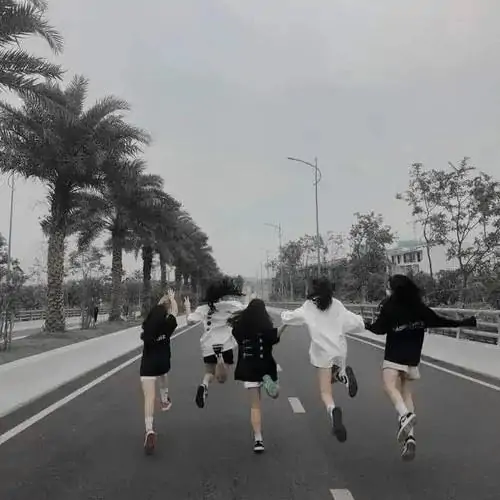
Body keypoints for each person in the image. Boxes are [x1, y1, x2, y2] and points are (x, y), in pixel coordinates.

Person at [364, 274, 477, 461]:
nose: (387, 290)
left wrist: (365, 324)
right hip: (412, 359)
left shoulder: (389, 307)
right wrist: (465, 322)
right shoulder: (419, 308)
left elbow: (379, 329)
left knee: (389, 386)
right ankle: (410, 438)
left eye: (388, 287)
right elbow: (440, 321)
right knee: (406, 393)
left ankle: (404, 416)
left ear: (394, 290)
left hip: (394, 356)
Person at [280, 278, 364, 442]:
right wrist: (362, 322)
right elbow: (355, 322)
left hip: (322, 353)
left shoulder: (309, 306)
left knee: (326, 392)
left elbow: (290, 317)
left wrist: (284, 315)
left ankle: (333, 411)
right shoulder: (337, 304)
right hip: (339, 350)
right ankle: (343, 377)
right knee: (334, 374)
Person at [228, 298, 287, 453]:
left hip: (249, 368)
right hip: (266, 366)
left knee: (255, 406)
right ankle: (269, 384)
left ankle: (258, 439)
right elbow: (275, 336)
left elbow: (234, 333)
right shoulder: (266, 327)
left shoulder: (239, 329)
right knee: (275, 394)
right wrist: (286, 324)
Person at [186, 277, 245, 409]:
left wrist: (188, 308)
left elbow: (189, 321)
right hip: (225, 344)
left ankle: (204, 385)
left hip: (208, 345)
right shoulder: (232, 305)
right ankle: (220, 358)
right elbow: (248, 312)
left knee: (209, 373)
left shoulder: (203, 308)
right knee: (223, 378)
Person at [140, 289, 178, 455]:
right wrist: (172, 299)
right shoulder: (168, 324)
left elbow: (157, 312)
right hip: (162, 363)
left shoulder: (148, 326)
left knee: (149, 398)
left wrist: (162, 303)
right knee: (163, 374)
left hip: (147, 365)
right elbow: (174, 312)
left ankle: (149, 429)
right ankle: (164, 398)